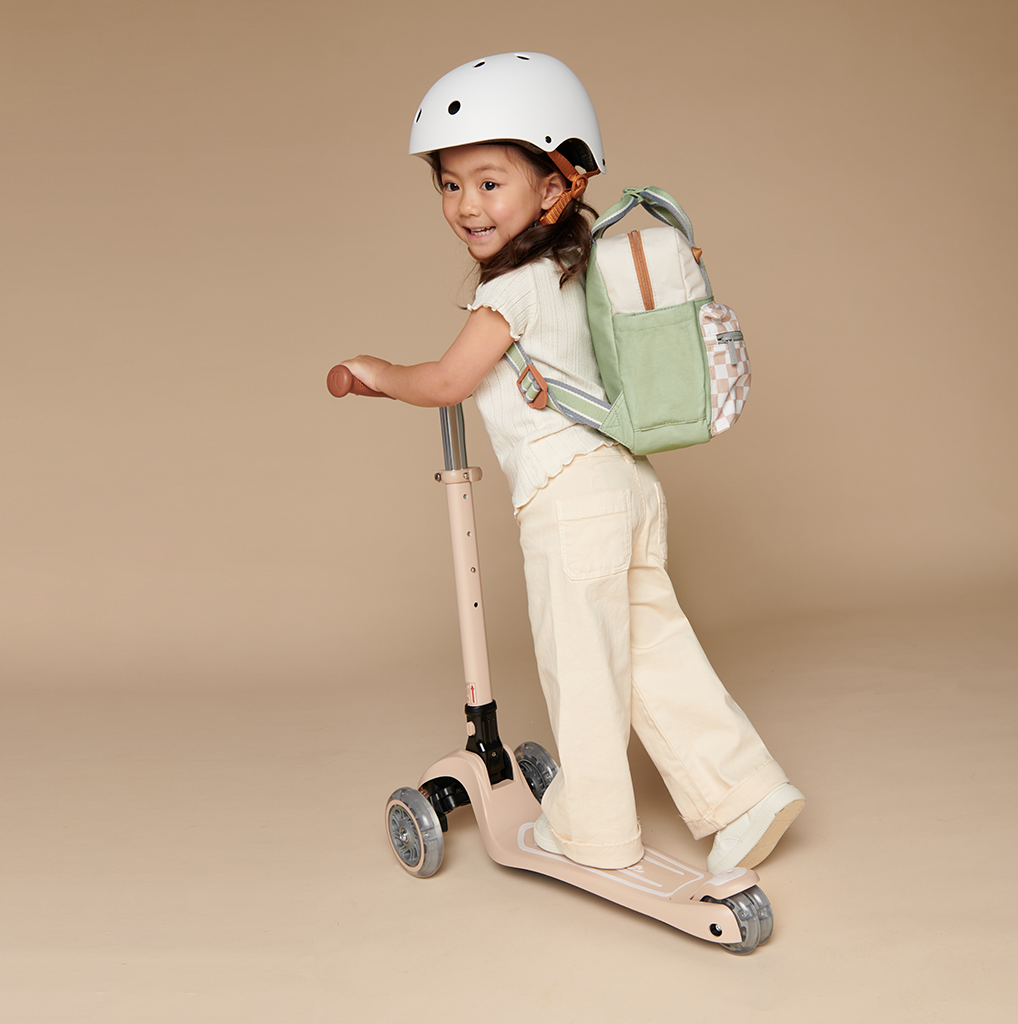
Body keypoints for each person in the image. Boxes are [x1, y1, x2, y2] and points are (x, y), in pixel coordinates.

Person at [343, 52, 804, 873]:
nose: (466, 204)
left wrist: (375, 373)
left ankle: (592, 831)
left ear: (557, 186)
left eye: (490, 182)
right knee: (653, 651)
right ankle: (746, 795)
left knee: (583, 666)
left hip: (568, 497)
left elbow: (447, 381)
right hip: (626, 483)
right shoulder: (579, 267)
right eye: (450, 184)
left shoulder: (510, 290)